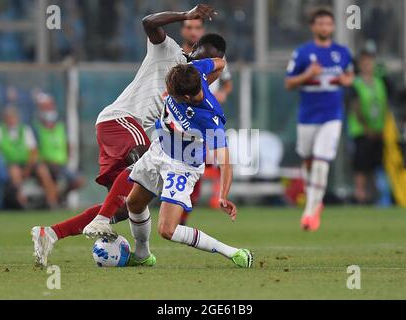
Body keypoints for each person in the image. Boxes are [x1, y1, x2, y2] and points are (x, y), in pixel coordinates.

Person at [31, 4, 226, 267]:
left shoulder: (191, 89)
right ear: (196, 48)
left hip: (122, 128)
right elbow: (148, 22)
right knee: (141, 165)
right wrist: (185, 14)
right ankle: (107, 226)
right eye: (205, 56)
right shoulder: (167, 51)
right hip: (121, 119)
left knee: (123, 206)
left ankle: (50, 234)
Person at [86, 60, 253, 268]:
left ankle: (233, 252)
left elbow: (226, 162)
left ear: (186, 98)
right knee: (134, 204)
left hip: (182, 166)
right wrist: (211, 79)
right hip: (159, 149)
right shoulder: (194, 71)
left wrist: (223, 196)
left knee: (167, 230)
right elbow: (221, 62)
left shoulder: (211, 119)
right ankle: (142, 255)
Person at [285, 8, 354, 231]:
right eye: (320, 23)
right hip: (307, 116)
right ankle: (316, 199)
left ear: (332, 27)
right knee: (307, 160)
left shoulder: (342, 52)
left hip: (332, 115)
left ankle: (310, 212)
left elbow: (349, 75)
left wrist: (346, 80)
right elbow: (289, 83)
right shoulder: (303, 53)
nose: (324, 27)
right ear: (313, 27)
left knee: (322, 162)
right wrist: (308, 75)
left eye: (328, 23)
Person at [180, 18, 234, 223]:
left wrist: (223, 94)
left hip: (202, 120)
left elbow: (226, 82)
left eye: (197, 28)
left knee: (196, 167)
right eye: (189, 27)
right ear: (182, 30)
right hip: (176, 116)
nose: (193, 31)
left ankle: (182, 215)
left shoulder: (215, 58)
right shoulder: (173, 54)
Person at [0, 106, 59, 209]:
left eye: (13, 117)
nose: (11, 120)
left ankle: (52, 202)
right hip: (11, 164)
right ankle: (22, 202)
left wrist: (28, 169)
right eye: (8, 117)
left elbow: (33, 151)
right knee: (15, 171)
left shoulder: (25, 130)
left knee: (43, 171)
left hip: (27, 163)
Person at [347, 51, 389, 204]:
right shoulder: (356, 83)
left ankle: (376, 197)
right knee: (361, 166)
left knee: (376, 165)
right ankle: (360, 197)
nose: (368, 65)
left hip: (378, 131)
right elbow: (355, 107)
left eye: (370, 62)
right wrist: (367, 129)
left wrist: (382, 127)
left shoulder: (379, 82)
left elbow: (384, 105)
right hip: (361, 132)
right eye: (365, 62)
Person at [34, 93, 85, 202]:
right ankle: (52, 203)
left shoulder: (61, 126)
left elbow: (68, 145)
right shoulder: (36, 127)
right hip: (45, 164)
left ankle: (59, 196)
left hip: (61, 164)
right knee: (44, 174)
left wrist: (66, 159)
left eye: (49, 106)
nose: (47, 110)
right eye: (44, 107)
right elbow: (34, 149)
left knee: (79, 180)